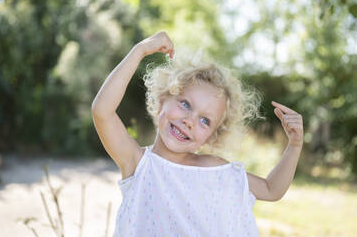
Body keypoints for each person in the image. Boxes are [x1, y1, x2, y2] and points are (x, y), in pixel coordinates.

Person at [91, 31, 303, 236]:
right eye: (185, 104)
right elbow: (102, 111)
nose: (189, 121)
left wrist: (294, 146)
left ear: (211, 136)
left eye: (205, 120)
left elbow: (271, 189)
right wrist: (140, 50)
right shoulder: (138, 164)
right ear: (162, 100)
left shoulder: (216, 170)